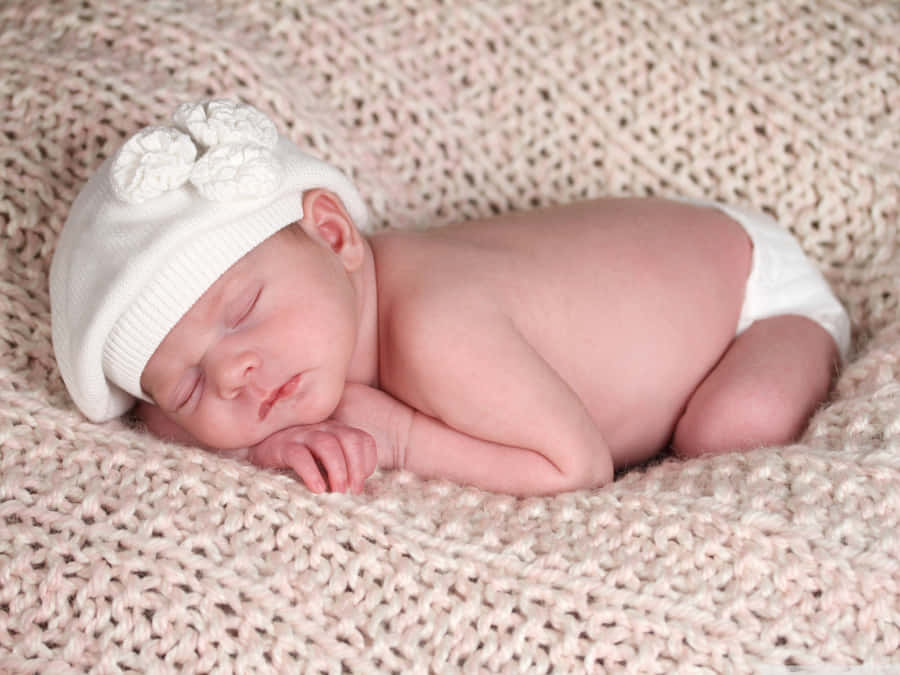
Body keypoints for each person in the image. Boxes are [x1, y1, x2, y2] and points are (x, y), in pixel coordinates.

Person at [50, 99, 851, 496]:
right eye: (191, 381)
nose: (233, 375)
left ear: (333, 235)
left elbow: (575, 468)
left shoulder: (435, 327)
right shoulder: (306, 332)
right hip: (667, 256)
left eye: (243, 311)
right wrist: (251, 442)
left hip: (750, 295)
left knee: (730, 430)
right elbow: (151, 415)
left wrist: (393, 438)